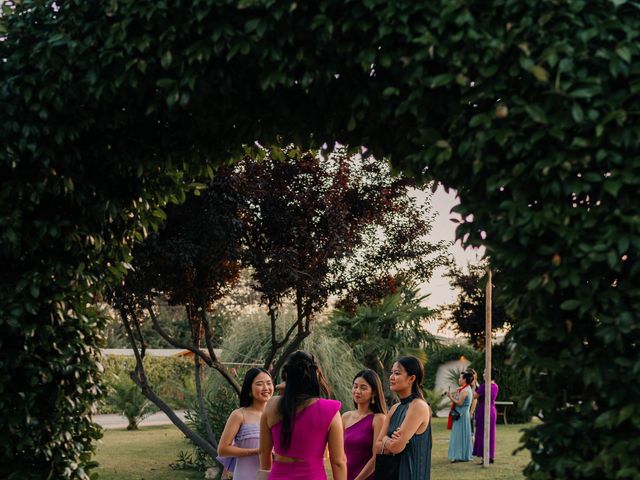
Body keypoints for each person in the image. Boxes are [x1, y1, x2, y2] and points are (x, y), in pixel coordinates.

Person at [258, 351, 347, 480]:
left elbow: (264, 452)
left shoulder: (271, 406)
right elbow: (338, 462)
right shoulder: (330, 411)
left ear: (287, 376)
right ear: (315, 374)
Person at [375, 356, 432, 480]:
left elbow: (396, 446)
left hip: (411, 474)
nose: (391, 377)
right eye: (392, 373)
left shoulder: (418, 406)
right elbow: (377, 446)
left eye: (397, 373)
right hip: (391, 473)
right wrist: (389, 441)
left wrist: (386, 440)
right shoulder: (395, 408)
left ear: (411, 378)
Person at [216, 368, 274, 480]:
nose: (266, 388)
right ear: (249, 389)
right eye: (259, 384)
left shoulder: (278, 414)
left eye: (269, 383)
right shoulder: (239, 415)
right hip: (246, 475)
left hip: (274, 475)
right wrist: (257, 451)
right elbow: (222, 449)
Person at [343, 369, 387, 480]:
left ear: (374, 392)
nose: (357, 391)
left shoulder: (379, 419)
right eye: (355, 386)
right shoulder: (345, 417)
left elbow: (376, 457)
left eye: (363, 388)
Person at [472, 368, 500, 464]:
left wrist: (474, 387)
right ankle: (490, 456)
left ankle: (485, 457)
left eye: (484, 372)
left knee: (482, 434)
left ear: (488, 374)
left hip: (483, 410)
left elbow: (474, 396)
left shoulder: (484, 386)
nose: (483, 374)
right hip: (492, 411)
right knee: (491, 434)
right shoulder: (495, 386)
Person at [446, 370, 474, 462]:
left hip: (461, 416)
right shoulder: (464, 389)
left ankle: (457, 456)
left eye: (460, 378)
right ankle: (462, 455)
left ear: (464, 379)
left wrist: (450, 397)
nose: (459, 379)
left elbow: (460, 403)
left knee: (458, 436)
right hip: (462, 415)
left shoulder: (465, 391)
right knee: (461, 436)